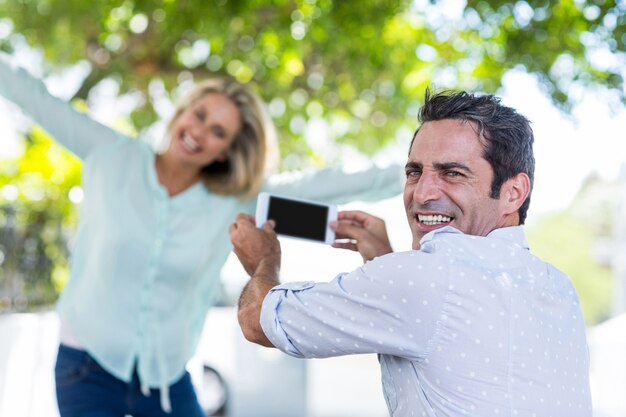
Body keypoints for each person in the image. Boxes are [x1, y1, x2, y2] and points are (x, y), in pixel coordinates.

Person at [0, 54, 404, 416]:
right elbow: (33, 96)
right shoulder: (111, 154)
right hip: (86, 365)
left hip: (167, 379)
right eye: (199, 115)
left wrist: (419, 173)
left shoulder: (232, 202)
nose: (200, 132)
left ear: (225, 152)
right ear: (181, 112)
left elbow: (325, 185)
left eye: (218, 132)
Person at [229, 88, 593, 417]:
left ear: (513, 193)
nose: (421, 193)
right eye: (415, 172)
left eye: (452, 173)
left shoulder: (425, 280)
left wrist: (264, 260)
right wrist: (384, 261)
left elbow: (258, 320)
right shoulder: (557, 287)